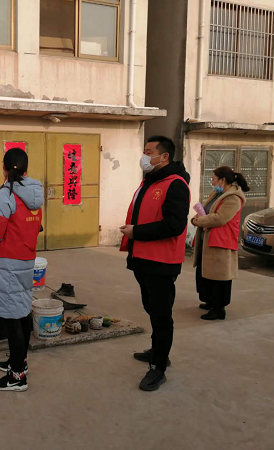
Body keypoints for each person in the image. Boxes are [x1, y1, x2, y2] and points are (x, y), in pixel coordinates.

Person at [119, 136, 190, 392]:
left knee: (161, 315)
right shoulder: (150, 181)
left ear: (164, 156)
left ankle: (158, 367)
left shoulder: (175, 184)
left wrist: (136, 232)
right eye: (144, 151)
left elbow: (174, 225)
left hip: (161, 261)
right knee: (150, 307)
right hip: (143, 258)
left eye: (149, 152)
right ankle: (158, 350)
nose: (145, 156)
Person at [0, 148, 43, 392]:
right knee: (22, 313)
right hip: (26, 260)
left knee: (13, 319)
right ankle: (19, 361)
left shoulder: (6, 195)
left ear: (4, 169)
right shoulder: (35, 194)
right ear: (26, 169)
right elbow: (36, 227)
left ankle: (17, 377)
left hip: (6, 263)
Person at [191, 166, 249, 320]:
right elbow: (207, 211)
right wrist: (197, 218)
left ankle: (219, 309)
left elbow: (219, 218)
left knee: (218, 276)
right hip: (208, 239)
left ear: (222, 180)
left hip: (221, 241)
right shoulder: (218, 193)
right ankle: (210, 301)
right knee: (206, 274)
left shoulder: (233, 198)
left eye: (214, 179)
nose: (212, 182)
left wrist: (199, 221)